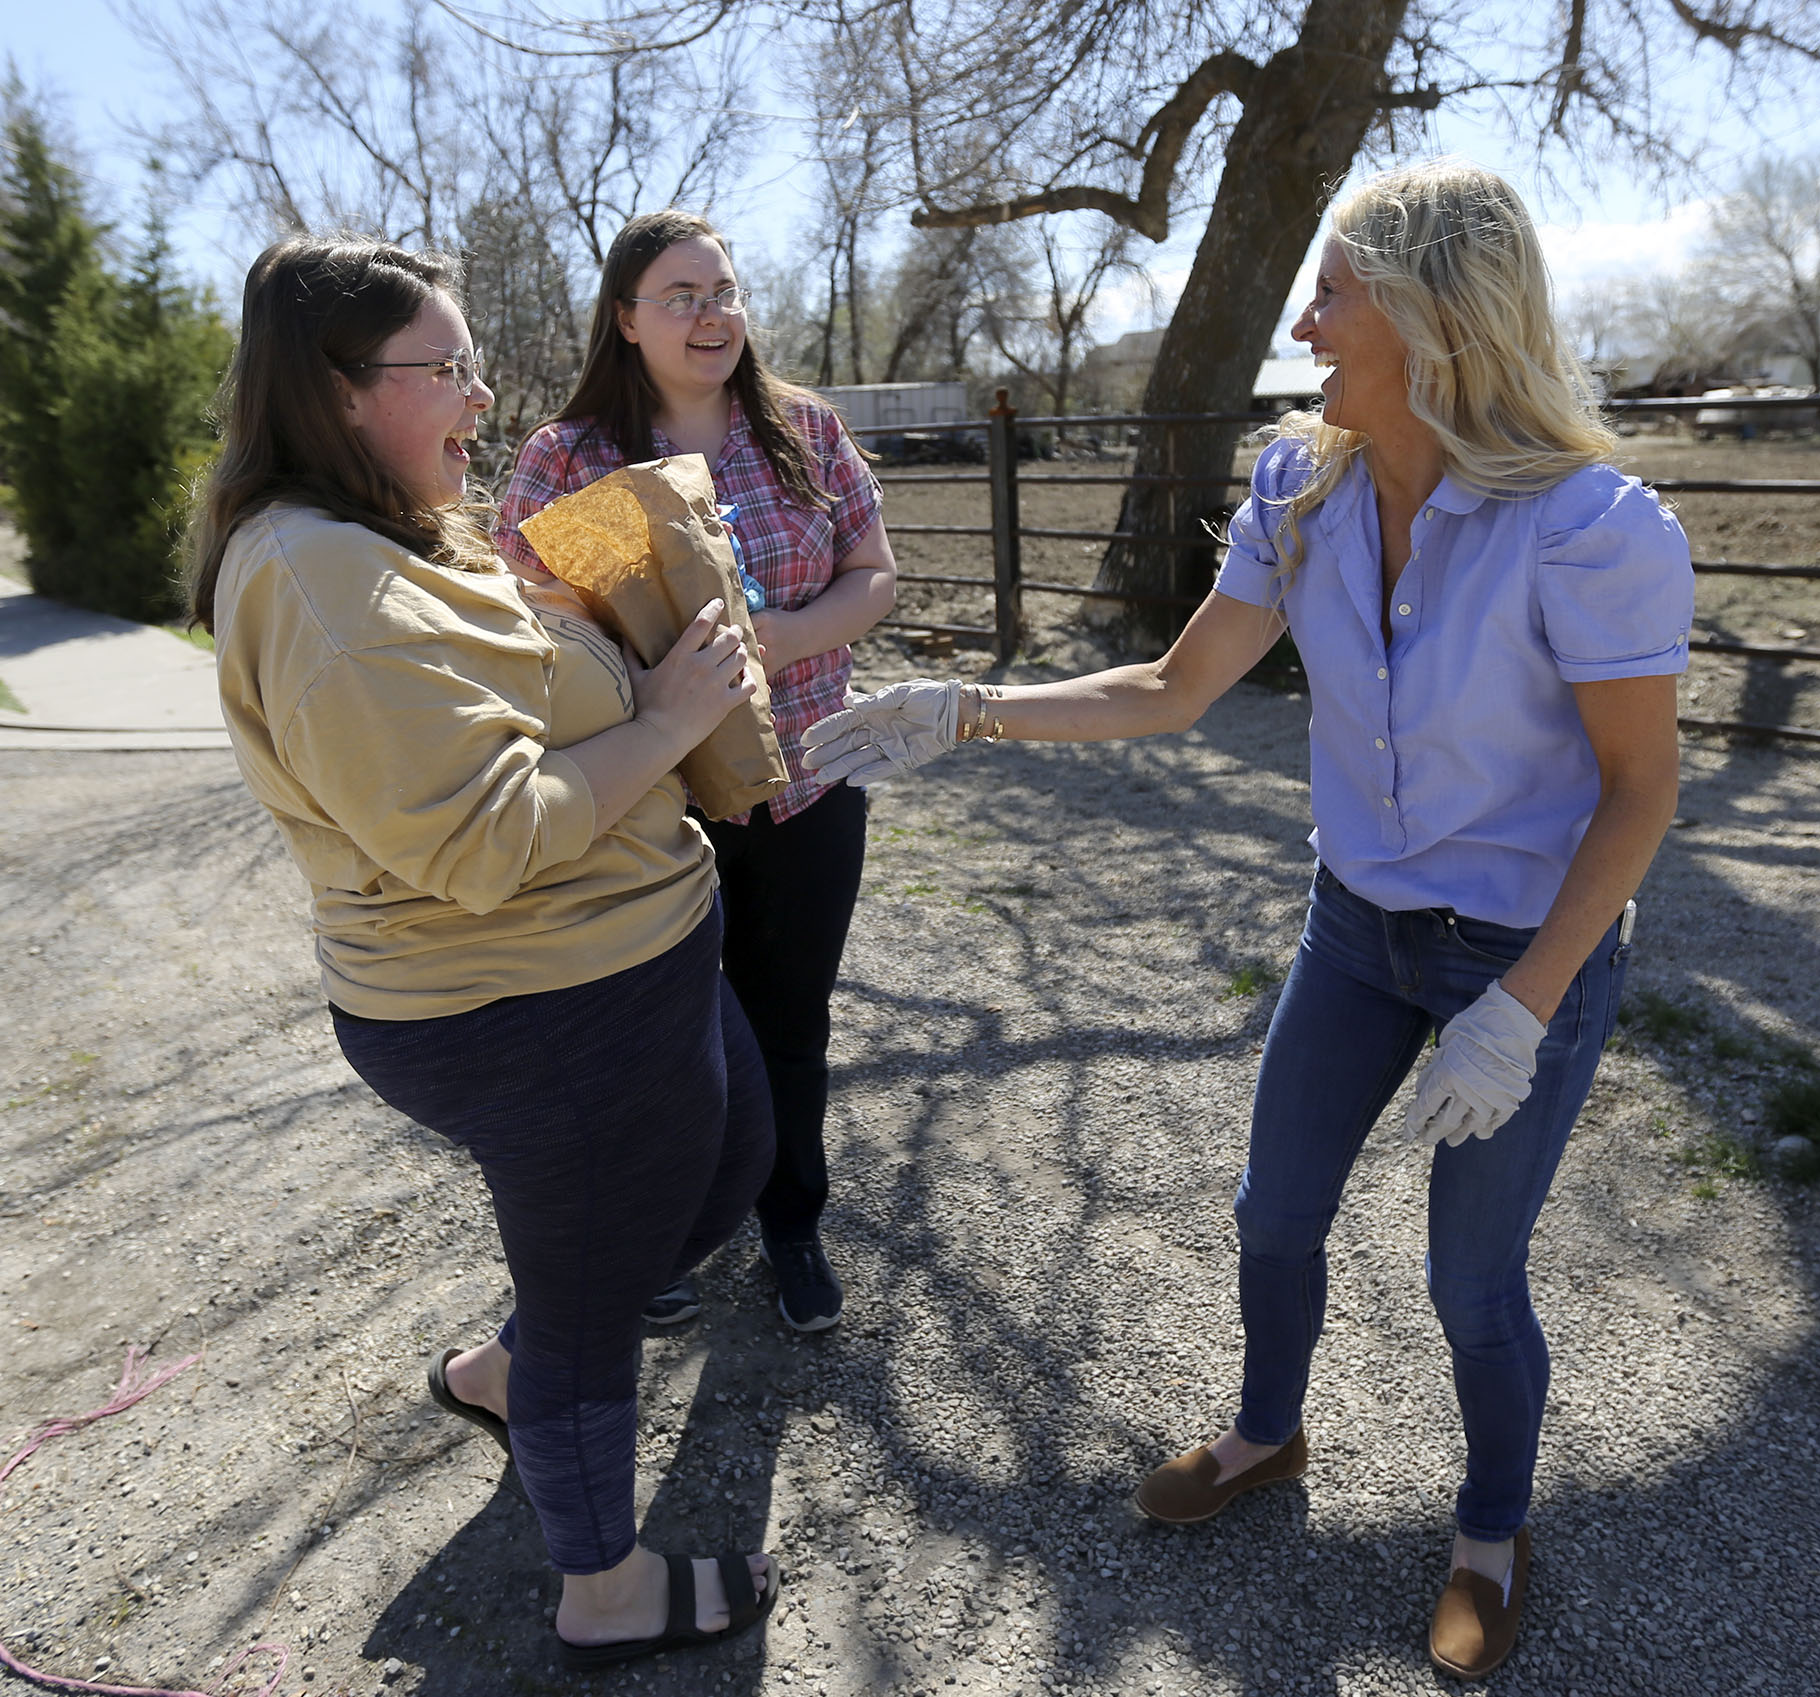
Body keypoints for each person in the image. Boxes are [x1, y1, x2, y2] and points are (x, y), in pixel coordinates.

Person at [801, 159, 1691, 1679]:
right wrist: (966, 711)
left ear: (1431, 316)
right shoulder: (1301, 489)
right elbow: (1173, 688)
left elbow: (1636, 795)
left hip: (1518, 952)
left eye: (1334, 292)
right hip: (1357, 926)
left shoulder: (1592, 530)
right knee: (1275, 1211)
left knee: (1471, 1283)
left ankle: (1488, 1530)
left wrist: (1526, 1004)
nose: (1304, 318)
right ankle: (1265, 1433)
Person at [191, 238, 780, 1670]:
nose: (480, 389)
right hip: (534, 1006)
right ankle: (606, 1590)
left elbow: (500, 711)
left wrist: (604, 643)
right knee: (597, 1302)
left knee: (725, 1165)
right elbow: (484, 838)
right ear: (337, 393)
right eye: (445, 367)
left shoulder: (394, 530)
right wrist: (663, 715)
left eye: (471, 361)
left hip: (634, 960)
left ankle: (512, 1365)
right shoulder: (324, 584)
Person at [499, 210, 896, 1335]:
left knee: (791, 1020)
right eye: (680, 295)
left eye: (723, 291)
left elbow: (876, 576)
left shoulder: (803, 432)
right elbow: (522, 627)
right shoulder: (563, 458)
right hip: (650, 799)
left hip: (810, 778)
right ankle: (665, 1237)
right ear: (625, 319)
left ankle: (793, 1223)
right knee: (658, 1024)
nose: (712, 314)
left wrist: (783, 637)